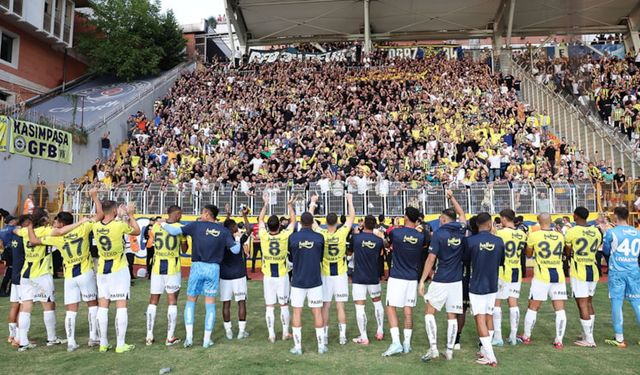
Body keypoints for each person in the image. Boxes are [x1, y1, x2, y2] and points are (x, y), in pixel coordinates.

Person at [26, 188, 103, 352]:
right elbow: (100, 215)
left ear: (62, 223)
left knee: (71, 309)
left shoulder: (56, 237)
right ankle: (93, 337)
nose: (54, 223)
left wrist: (30, 225)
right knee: (92, 304)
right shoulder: (82, 228)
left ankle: (71, 341)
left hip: (69, 276)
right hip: (85, 272)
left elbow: (33, 240)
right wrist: (95, 198)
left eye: (56, 221)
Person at [160, 204, 241, 348]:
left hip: (197, 267)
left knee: (191, 301)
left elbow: (173, 231)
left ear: (207, 214)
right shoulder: (223, 230)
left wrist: (162, 224)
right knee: (210, 305)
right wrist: (238, 239)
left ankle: (189, 338)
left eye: (203, 213)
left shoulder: (196, 226)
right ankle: (206, 340)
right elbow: (235, 250)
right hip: (213, 269)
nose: (201, 215)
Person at [418, 190, 466, 361]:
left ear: (445, 219)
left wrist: (422, 280)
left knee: (429, 312)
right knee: (452, 315)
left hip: (441, 278)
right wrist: (452, 197)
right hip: (456, 280)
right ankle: (449, 351)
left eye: (440, 218)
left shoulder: (439, 234)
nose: (439, 220)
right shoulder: (461, 229)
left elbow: (431, 259)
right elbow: (461, 213)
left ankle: (433, 348)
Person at [92, 201, 141, 353]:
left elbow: (101, 218)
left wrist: (119, 216)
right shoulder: (118, 226)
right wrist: (130, 214)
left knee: (103, 305)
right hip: (118, 269)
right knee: (121, 305)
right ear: (114, 210)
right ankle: (120, 344)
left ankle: (103, 343)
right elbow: (136, 231)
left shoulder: (96, 226)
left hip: (102, 269)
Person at [381, 206, 430, 357]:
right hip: (412, 277)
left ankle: (396, 342)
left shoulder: (396, 232)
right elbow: (425, 243)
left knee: (390, 307)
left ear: (406, 217)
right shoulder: (421, 236)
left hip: (397, 276)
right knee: (408, 309)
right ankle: (407, 343)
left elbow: (386, 244)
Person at [14, 208, 63, 351]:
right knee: (47, 305)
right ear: (43, 219)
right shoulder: (45, 231)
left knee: (26, 307)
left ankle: (23, 342)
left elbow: (15, 230)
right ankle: (51, 338)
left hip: (27, 275)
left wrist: (25, 227)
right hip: (42, 275)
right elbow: (59, 232)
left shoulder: (24, 231)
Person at [517, 213, 567, 349]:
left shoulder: (534, 235)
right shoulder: (560, 236)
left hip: (541, 276)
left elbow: (528, 254)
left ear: (538, 221)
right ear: (551, 221)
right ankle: (559, 340)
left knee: (533, 307)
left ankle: (526, 336)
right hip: (558, 275)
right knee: (560, 309)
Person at [311, 193, 355, 346]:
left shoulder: (321, 233)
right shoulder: (342, 232)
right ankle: (342, 336)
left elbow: (310, 221)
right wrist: (349, 200)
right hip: (340, 274)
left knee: (326, 306)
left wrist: (313, 203)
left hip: (326, 274)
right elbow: (351, 217)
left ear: (325, 222)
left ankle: (324, 336)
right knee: (340, 306)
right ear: (337, 222)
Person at [463, 212, 505, 367]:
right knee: (488, 316)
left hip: (477, 284)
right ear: (490, 224)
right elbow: (501, 261)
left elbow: (466, 260)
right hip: (492, 284)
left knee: (480, 318)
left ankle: (491, 357)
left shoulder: (470, 241)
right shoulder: (499, 241)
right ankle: (485, 351)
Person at [145, 206, 187, 347]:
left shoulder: (156, 227)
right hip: (172, 267)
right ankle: (170, 337)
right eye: (180, 214)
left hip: (157, 267)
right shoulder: (180, 227)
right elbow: (185, 249)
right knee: (172, 301)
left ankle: (149, 336)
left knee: (153, 300)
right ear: (177, 214)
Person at [258, 195, 297, 343]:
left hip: (268, 275)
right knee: (283, 305)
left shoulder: (263, 234)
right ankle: (285, 332)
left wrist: (265, 204)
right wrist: (289, 205)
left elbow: (260, 220)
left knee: (269, 306)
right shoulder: (285, 235)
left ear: (268, 226)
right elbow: (293, 221)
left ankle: (271, 335)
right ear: (279, 226)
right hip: (282, 274)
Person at [602, 207, 640, 347]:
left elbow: (606, 250)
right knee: (637, 303)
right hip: (634, 270)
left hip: (617, 271)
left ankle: (619, 338)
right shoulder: (637, 232)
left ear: (615, 216)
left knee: (617, 303)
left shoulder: (611, 232)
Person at [288, 211, 325, 355]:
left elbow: (290, 259)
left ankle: (297, 347)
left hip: (298, 280)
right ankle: (321, 346)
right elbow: (320, 257)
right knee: (317, 312)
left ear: (301, 222)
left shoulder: (292, 238)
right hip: (315, 279)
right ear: (312, 223)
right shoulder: (319, 237)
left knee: (297, 312)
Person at [565, 206, 602, 347]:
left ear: (575, 216)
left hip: (579, 270)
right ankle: (587, 333)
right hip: (593, 269)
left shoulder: (572, 231)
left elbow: (568, 251)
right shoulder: (596, 231)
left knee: (582, 304)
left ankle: (589, 339)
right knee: (589, 303)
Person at [493, 209, 528, 346]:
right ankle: (513, 336)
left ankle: (498, 336)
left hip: (502, 270)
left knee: (497, 303)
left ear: (504, 218)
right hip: (516, 270)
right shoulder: (521, 234)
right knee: (513, 304)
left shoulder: (500, 233)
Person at [349, 215, 385, 345]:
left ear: (364, 224)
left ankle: (364, 337)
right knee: (377, 302)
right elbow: (380, 254)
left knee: (360, 307)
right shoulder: (379, 240)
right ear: (375, 225)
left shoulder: (356, 238)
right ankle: (380, 331)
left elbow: (349, 253)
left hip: (359, 277)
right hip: (373, 276)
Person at [221, 207, 252, 340]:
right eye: (234, 226)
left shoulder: (221, 239)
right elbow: (249, 230)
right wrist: (244, 216)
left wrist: (228, 215)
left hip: (224, 275)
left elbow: (225, 226)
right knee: (241, 302)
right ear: (233, 227)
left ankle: (228, 331)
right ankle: (241, 331)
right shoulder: (238, 239)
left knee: (226, 303)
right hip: (239, 275)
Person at [1, 215, 22, 346]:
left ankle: (11, 335)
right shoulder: (20, 235)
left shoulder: (4, 231)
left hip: (13, 268)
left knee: (14, 305)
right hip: (21, 275)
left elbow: (1, 244)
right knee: (23, 307)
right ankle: (18, 338)